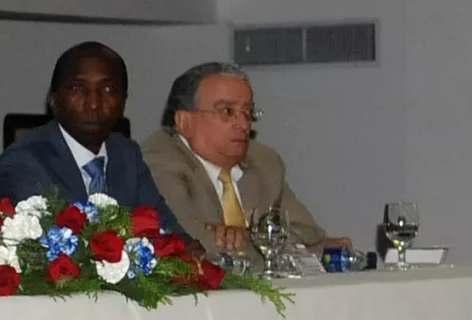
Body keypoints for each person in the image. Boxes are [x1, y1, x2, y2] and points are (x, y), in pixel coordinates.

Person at [141, 61, 340, 257]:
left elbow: (310, 236)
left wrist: (243, 237)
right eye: (227, 111)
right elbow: (190, 243)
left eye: (248, 112)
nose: (244, 124)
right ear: (184, 121)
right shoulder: (157, 163)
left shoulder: (265, 162)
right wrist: (267, 242)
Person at [0, 41, 186, 236]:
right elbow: (42, 252)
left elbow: (167, 230)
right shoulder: (22, 162)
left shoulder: (127, 154)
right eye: (78, 89)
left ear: (124, 101)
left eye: (107, 90)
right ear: (54, 100)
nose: (93, 104)